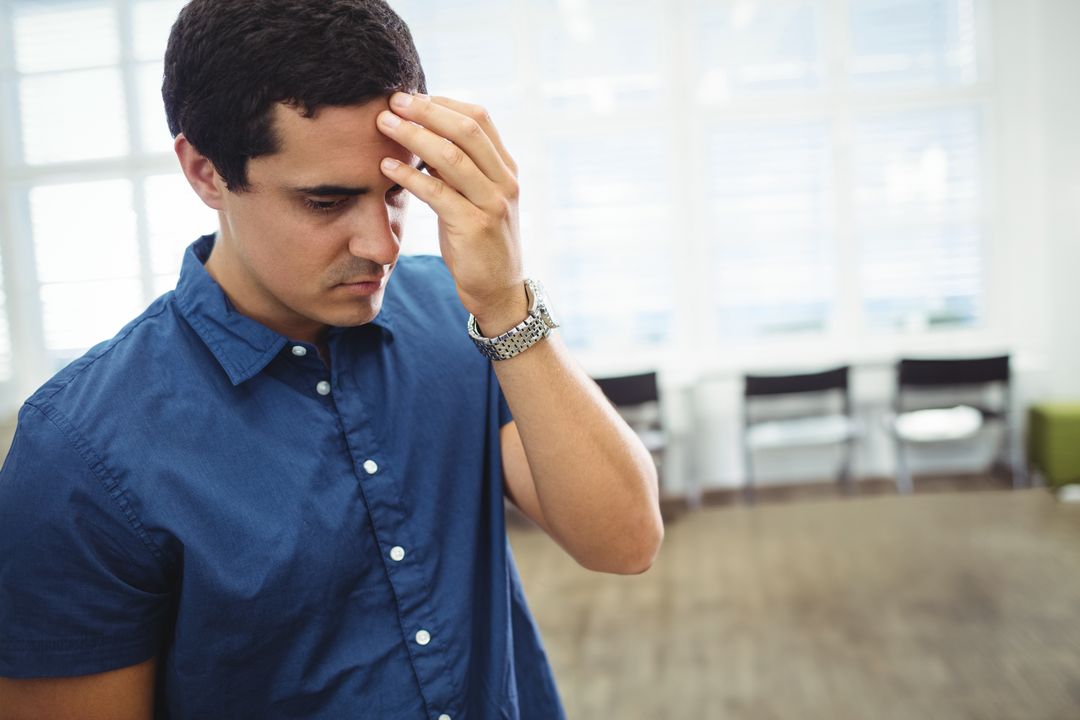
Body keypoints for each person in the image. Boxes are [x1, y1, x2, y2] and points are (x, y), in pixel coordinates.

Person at [0, 0, 663, 717]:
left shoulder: (463, 313)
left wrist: (505, 303)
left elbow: (624, 541)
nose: (383, 245)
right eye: (326, 201)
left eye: (398, 191)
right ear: (205, 171)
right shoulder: (77, 453)